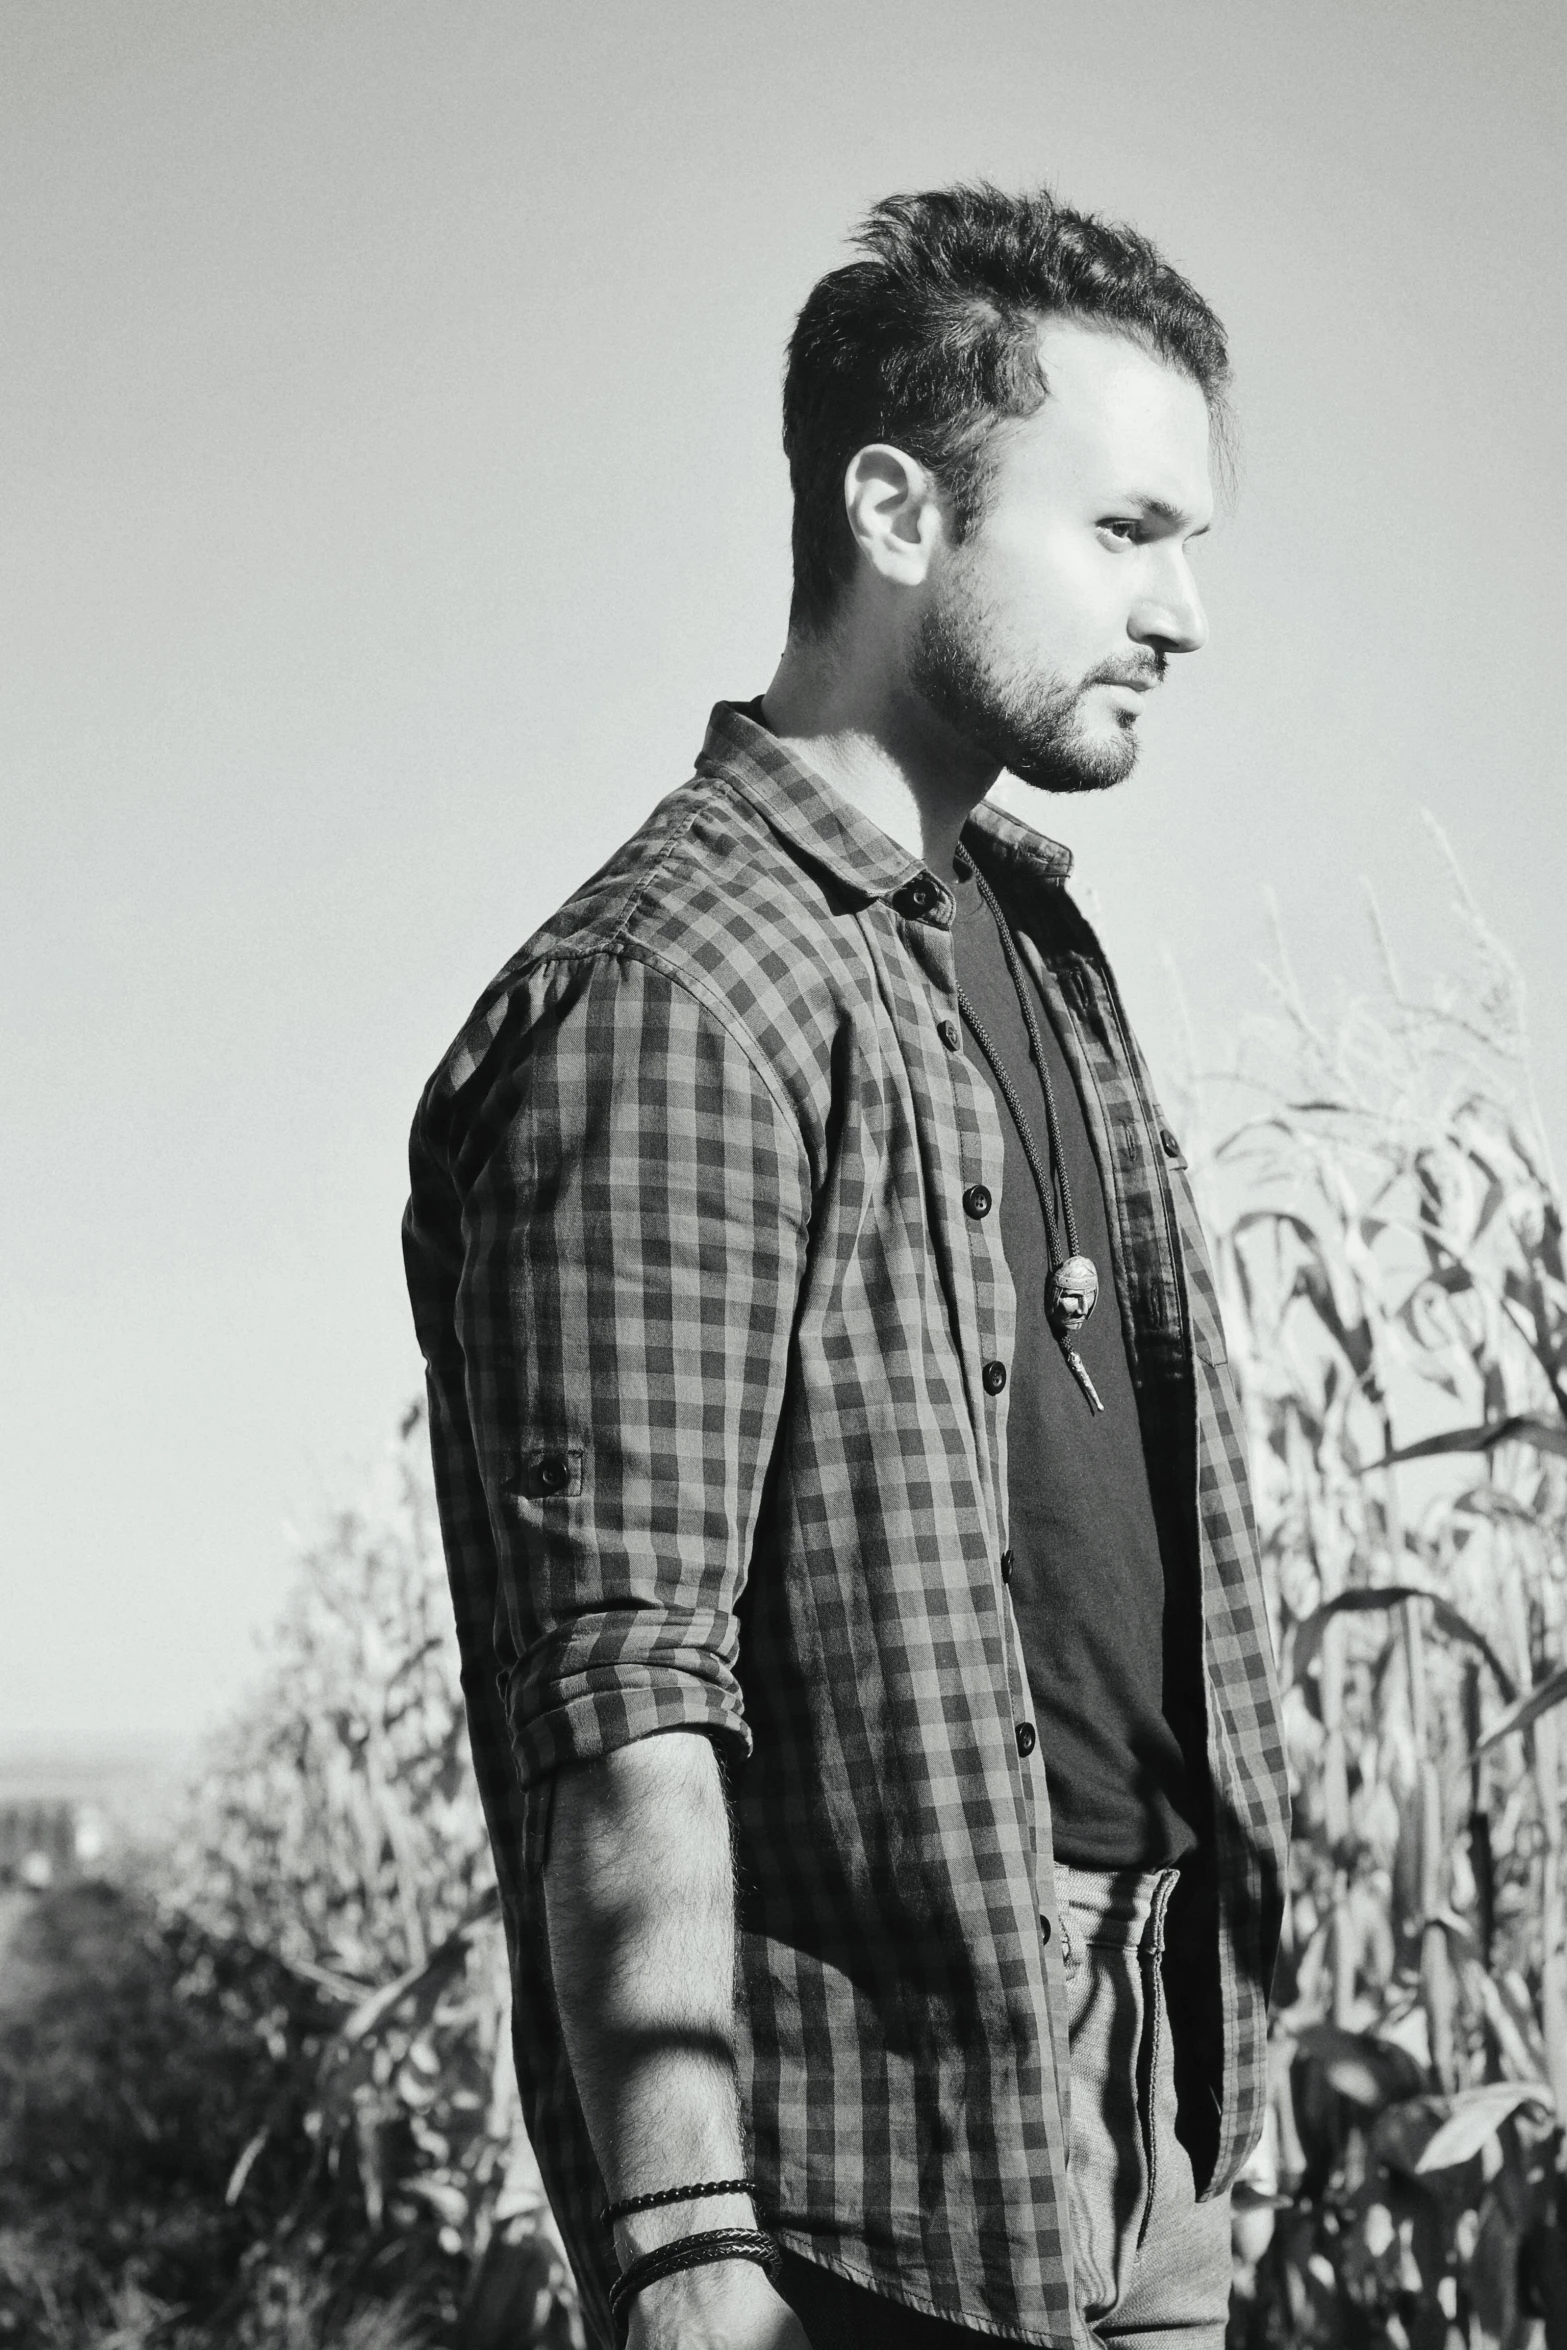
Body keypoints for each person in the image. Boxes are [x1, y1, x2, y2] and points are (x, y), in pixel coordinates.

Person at [403, 183, 1290, 2350]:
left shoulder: (1031, 937)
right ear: (897, 507)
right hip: (870, 2182)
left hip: (1141, 2089)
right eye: (1126, 531)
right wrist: (691, 2243)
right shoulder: (681, 992)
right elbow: (625, 1680)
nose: (1186, 609)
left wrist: (1207, 2119)